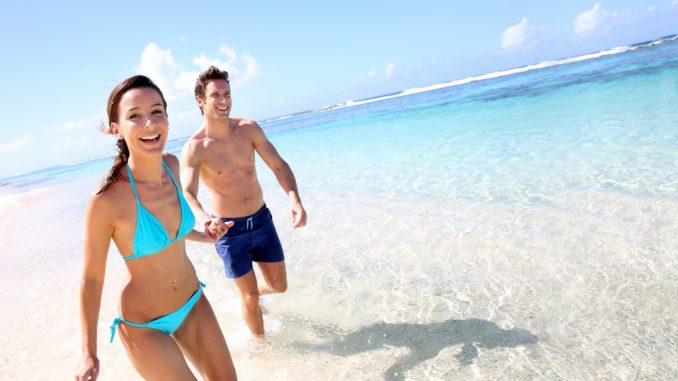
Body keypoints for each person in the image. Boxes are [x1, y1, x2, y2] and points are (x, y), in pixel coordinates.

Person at [75, 75, 237, 381]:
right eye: (134, 116)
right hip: (145, 326)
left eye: (156, 111)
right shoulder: (106, 201)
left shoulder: (172, 166)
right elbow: (92, 279)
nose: (149, 124)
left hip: (193, 303)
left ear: (167, 116)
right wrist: (89, 352)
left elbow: (170, 231)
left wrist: (205, 234)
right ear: (117, 129)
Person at [181, 66, 307, 339]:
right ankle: (263, 347)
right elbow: (188, 193)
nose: (224, 100)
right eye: (216, 95)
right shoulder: (196, 147)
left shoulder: (248, 129)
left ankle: (249, 298)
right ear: (200, 101)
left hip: (261, 220)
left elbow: (278, 165)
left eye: (227, 93)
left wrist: (294, 198)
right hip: (229, 230)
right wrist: (205, 220)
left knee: (279, 286)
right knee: (249, 296)